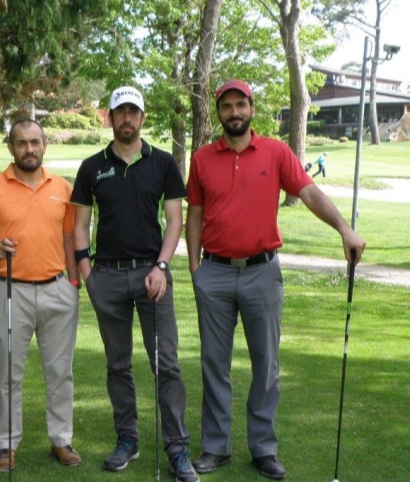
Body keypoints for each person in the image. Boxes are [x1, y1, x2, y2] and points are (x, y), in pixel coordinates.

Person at [185, 80, 366, 480]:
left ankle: (263, 448)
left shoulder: (276, 152)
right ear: (218, 112)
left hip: (262, 273)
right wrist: (196, 270)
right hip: (213, 273)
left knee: (266, 364)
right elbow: (194, 215)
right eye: (227, 106)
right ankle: (216, 447)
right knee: (214, 364)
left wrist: (344, 230)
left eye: (240, 105)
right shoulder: (201, 159)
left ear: (252, 108)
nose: (234, 112)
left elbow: (309, 192)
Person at [72, 86, 199, 482]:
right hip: (106, 275)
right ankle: (127, 439)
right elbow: (80, 224)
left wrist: (161, 265)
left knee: (167, 365)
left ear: (143, 118)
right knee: (118, 365)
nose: (127, 118)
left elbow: (175, 220)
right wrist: (86, 272)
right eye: (119, 112)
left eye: (134, 112)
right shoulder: (92, 166)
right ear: (109, 117)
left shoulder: (162, 162)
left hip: (152, 274)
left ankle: (177, 449)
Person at [0, 119, 82, 472]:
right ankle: (6, 444)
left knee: (60, 372)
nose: (29, 149)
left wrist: (73, 283)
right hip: (10, 290)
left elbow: (71, 239)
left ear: (45, 145)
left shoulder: (63, 188)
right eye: (22, 143)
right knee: (6, 373)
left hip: (57, 289)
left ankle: (61, 440)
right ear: (11, 147)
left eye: (35, 142)